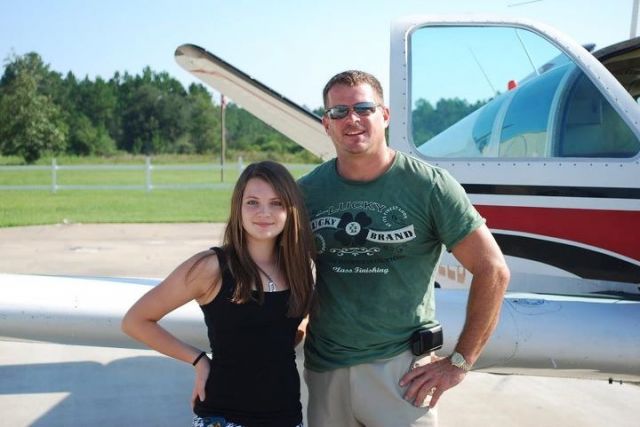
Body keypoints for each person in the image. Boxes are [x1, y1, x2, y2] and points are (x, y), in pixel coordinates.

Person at [298, 70, 511, 427]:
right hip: (324, 368)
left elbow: (493, 269)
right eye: (339, 112)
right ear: (326, 123)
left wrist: (460, 362)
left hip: (402, 374)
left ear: (385, 116)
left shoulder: (429, 186)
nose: (352, 119)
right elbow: (280, 269)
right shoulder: (306, 192)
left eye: (363, 108)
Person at [122, 160, 315, 427]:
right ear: (238, 207)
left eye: (276, 203)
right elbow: (136, 320)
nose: (264, 212)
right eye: (252, 202)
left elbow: (290, 329)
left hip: (286, 417)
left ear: (290, 210)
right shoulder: (210, 267)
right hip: (223, 417)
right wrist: (199, 360)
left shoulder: (297, 269)